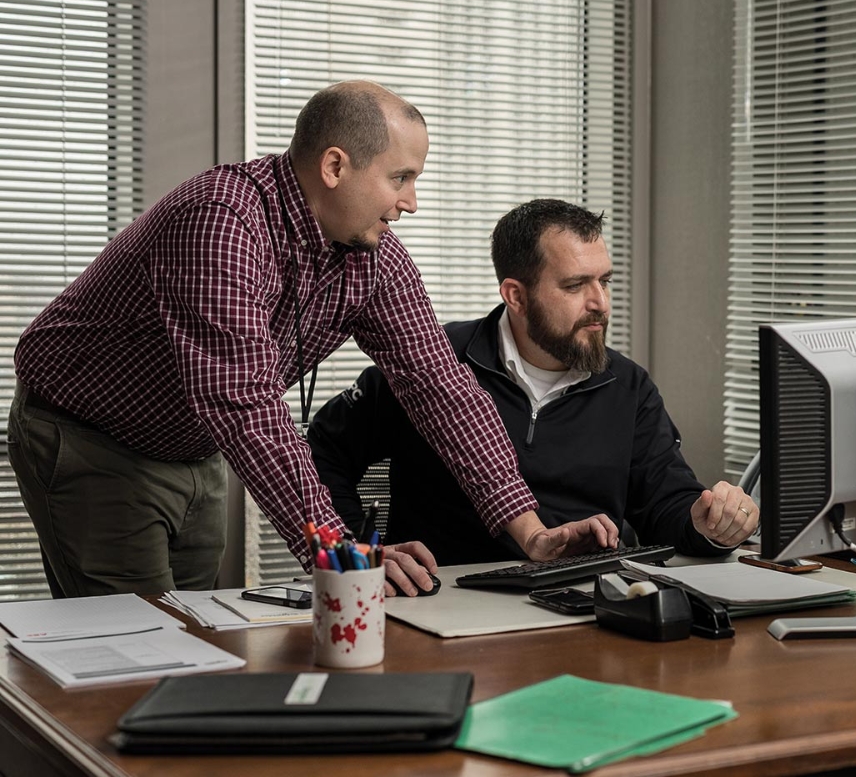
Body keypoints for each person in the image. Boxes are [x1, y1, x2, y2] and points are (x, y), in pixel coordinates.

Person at [8, 82, 611, 599]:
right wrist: (341, 553)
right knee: (137, 655)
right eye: (400, 178)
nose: (411, 202)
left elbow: (440, 388)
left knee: (193, 637)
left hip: (192, 447)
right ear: (334, 167)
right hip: (93, 441)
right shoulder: (221, 221)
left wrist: (529, 532)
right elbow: (245, 406)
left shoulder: (373, 257)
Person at [308, 198, 759, 570]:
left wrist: (711, 524)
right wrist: (357, 553)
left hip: (583, 607)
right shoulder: (429, 363)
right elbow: (321, 450)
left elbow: (667, 505)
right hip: (444, 603)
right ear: (516, 295)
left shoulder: (628, 386)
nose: (600, 303)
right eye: (575, 285)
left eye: (604, 281)